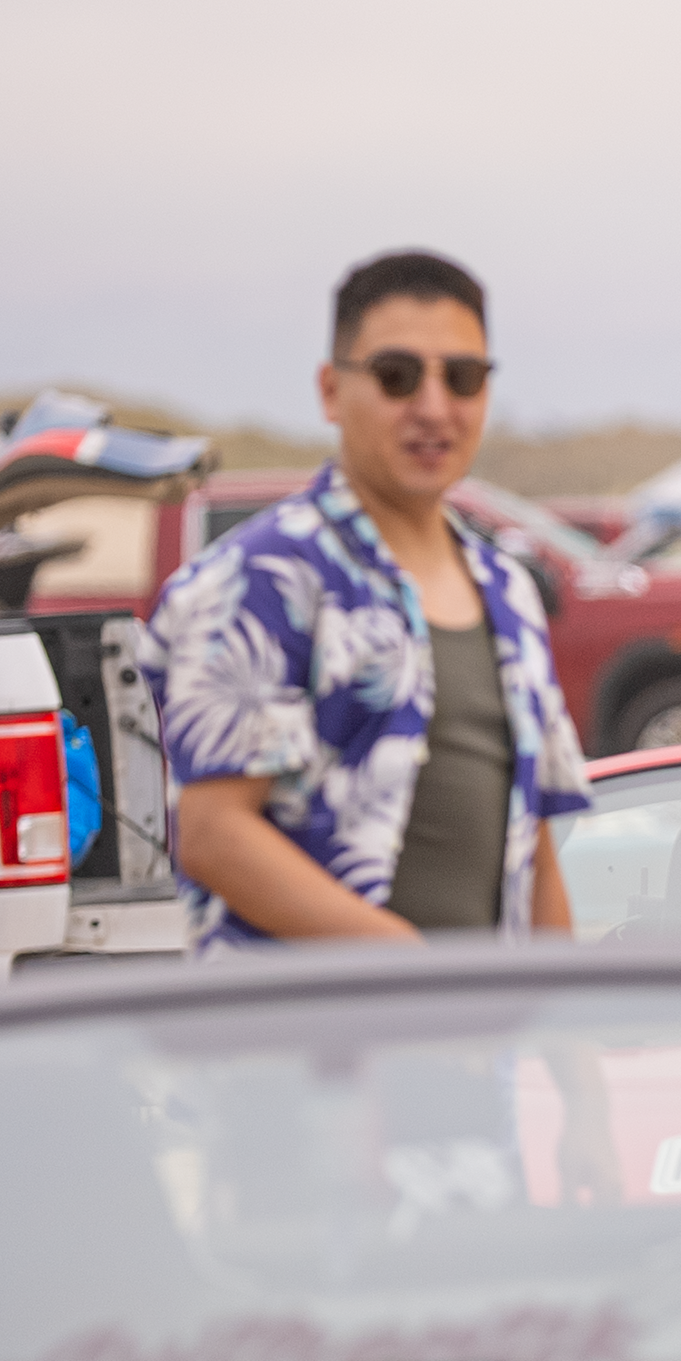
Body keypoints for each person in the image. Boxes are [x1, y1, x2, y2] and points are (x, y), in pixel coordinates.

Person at [145, 249, 593, 951]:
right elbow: (213, 834)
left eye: (464, 377)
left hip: (483, 1053)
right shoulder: (261, 577)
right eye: (397, 375)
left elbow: (531, 847)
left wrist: (568, 1049)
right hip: (298, 1050)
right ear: (330, 390)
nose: (433, 406)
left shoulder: (509, 593)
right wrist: (408, 972)